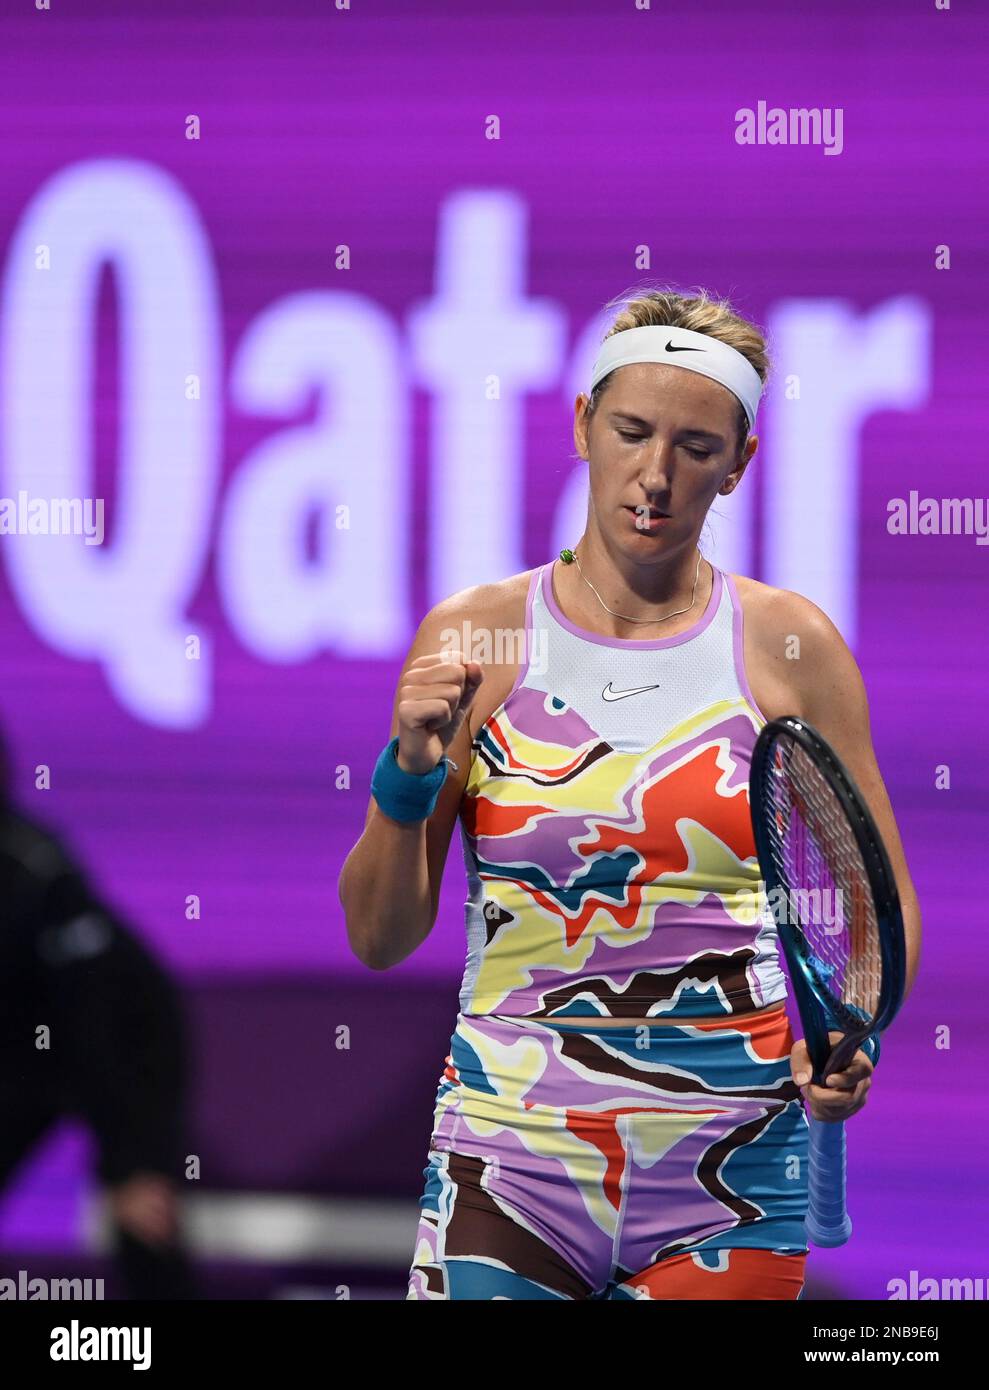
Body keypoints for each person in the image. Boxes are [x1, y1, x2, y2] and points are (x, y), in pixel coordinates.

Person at [338, 286, 922, 1301]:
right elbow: (380, 937)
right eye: (631, 432)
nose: (654, 476)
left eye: (696, 447)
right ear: (581, 426)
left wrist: (846, 1039)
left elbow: (876, 912)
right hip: (506, 1164)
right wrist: (406, 776)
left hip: (733, 1174)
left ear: (739, 463)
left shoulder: (792, 647)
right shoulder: (475, 638)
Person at [0, 735, 198, 1300]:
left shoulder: (32, 868)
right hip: (22, 1052)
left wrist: (127, 1162)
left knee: (141, 1208)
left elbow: (93, 1017)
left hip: (125, 1042)